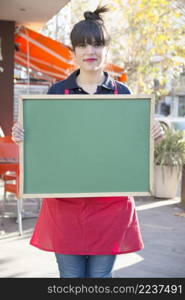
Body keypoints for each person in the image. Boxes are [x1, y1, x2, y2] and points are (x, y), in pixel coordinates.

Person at [12, 5, 164, 278]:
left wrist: (153, 135)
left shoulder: (123, 94)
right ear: (73, 52)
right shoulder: (56, 93)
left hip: (110, 206)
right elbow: (46, 148)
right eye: (82, 45)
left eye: (96, 45)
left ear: (106, 49)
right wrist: (24, 136)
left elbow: (132, 149)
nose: (89, 52)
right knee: (71, 279)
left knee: (100, 280)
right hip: (65, 204)